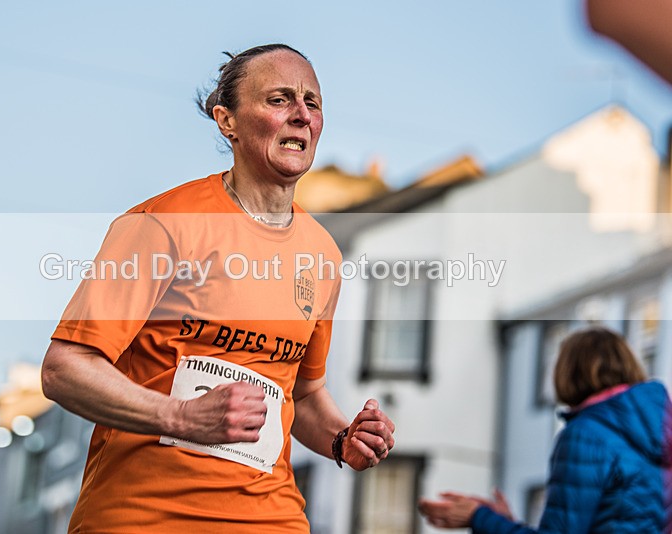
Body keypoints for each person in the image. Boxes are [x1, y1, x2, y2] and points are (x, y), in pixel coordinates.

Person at [41, 43, 395, 533]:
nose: (300, 115)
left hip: (271, 519)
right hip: (144, 517)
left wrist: (342, 437)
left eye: (312, 103)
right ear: (226, 121)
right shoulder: (161, 224)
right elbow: (65, 369)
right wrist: (180, 416)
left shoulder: (323, 254)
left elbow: (306, 394)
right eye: (279, 99)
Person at [418, 326, 671, 532]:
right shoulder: (661, 429)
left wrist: (479, 517)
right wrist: (507, 522)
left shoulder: (586, 435)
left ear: (568, 372)